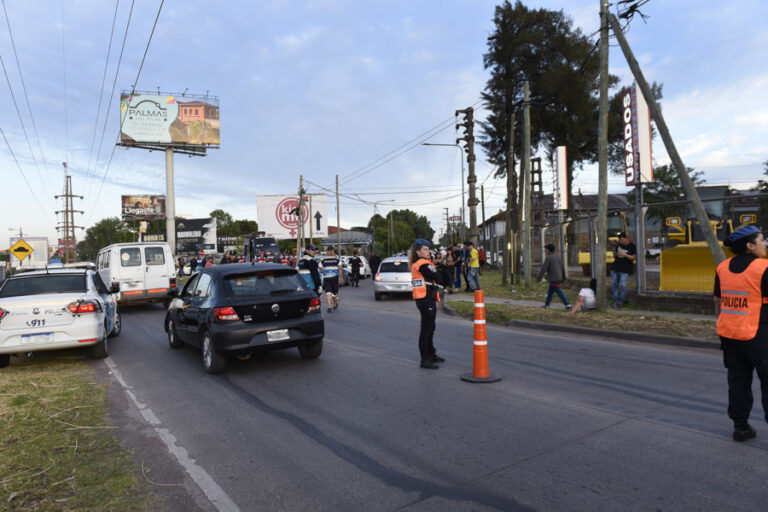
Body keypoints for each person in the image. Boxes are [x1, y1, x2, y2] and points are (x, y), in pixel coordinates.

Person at [714, 225, 768, 442]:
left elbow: (718, 300)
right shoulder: (763, 268)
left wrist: (722, 321)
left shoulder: (723, 267)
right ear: (749, 245)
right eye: (761, 240)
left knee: (737, 380)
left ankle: (741, 427)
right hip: (758, 334)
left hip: (729, 334)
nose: (765, 244)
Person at [410, 238, 445, 369]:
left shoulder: (420, 263)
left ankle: (431, 354)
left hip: (424, 299)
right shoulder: (423, 264)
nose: (428, 251)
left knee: (430, 327)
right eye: (425, 249)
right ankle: (425, 359)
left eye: (428, 249)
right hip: (425, 299)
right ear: (418, 252)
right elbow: (440, 278)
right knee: (427, 329)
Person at [537, 243, 571, 309]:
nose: (545, 251)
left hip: (554, 279)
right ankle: (547, 305)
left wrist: (539, 278)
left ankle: (567, 304)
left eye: (546, 249)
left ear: (549, 250)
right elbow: (562, 267)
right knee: (550, 292)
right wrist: (564, 277)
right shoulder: (557, 257)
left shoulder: (548, 258)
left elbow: (543, 269)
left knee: (558, 291)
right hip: (559, 278)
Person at [611, 232, 637, 307]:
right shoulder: (619, 245)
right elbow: (615, 254)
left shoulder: (632, 246)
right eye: (620, 240)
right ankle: (615, 301)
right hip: (615, 267)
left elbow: (634, 257)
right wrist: (615, 254)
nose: (621, 241)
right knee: (615, 285)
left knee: (622, 285)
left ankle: (621, 300)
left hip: (625, 269)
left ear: (626, 238)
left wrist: (624, 254)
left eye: (622, 240)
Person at [321, 248, 341, 312]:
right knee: (334, 293)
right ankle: (335, 305)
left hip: (326, 278)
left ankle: (329, 307)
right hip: (335, 277)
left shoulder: (323, 260)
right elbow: (340, 270)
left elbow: (320, 269)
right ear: (333, 251)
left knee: (328, 292)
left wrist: (325, 271)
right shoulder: (337, 259)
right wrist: (341, 277)